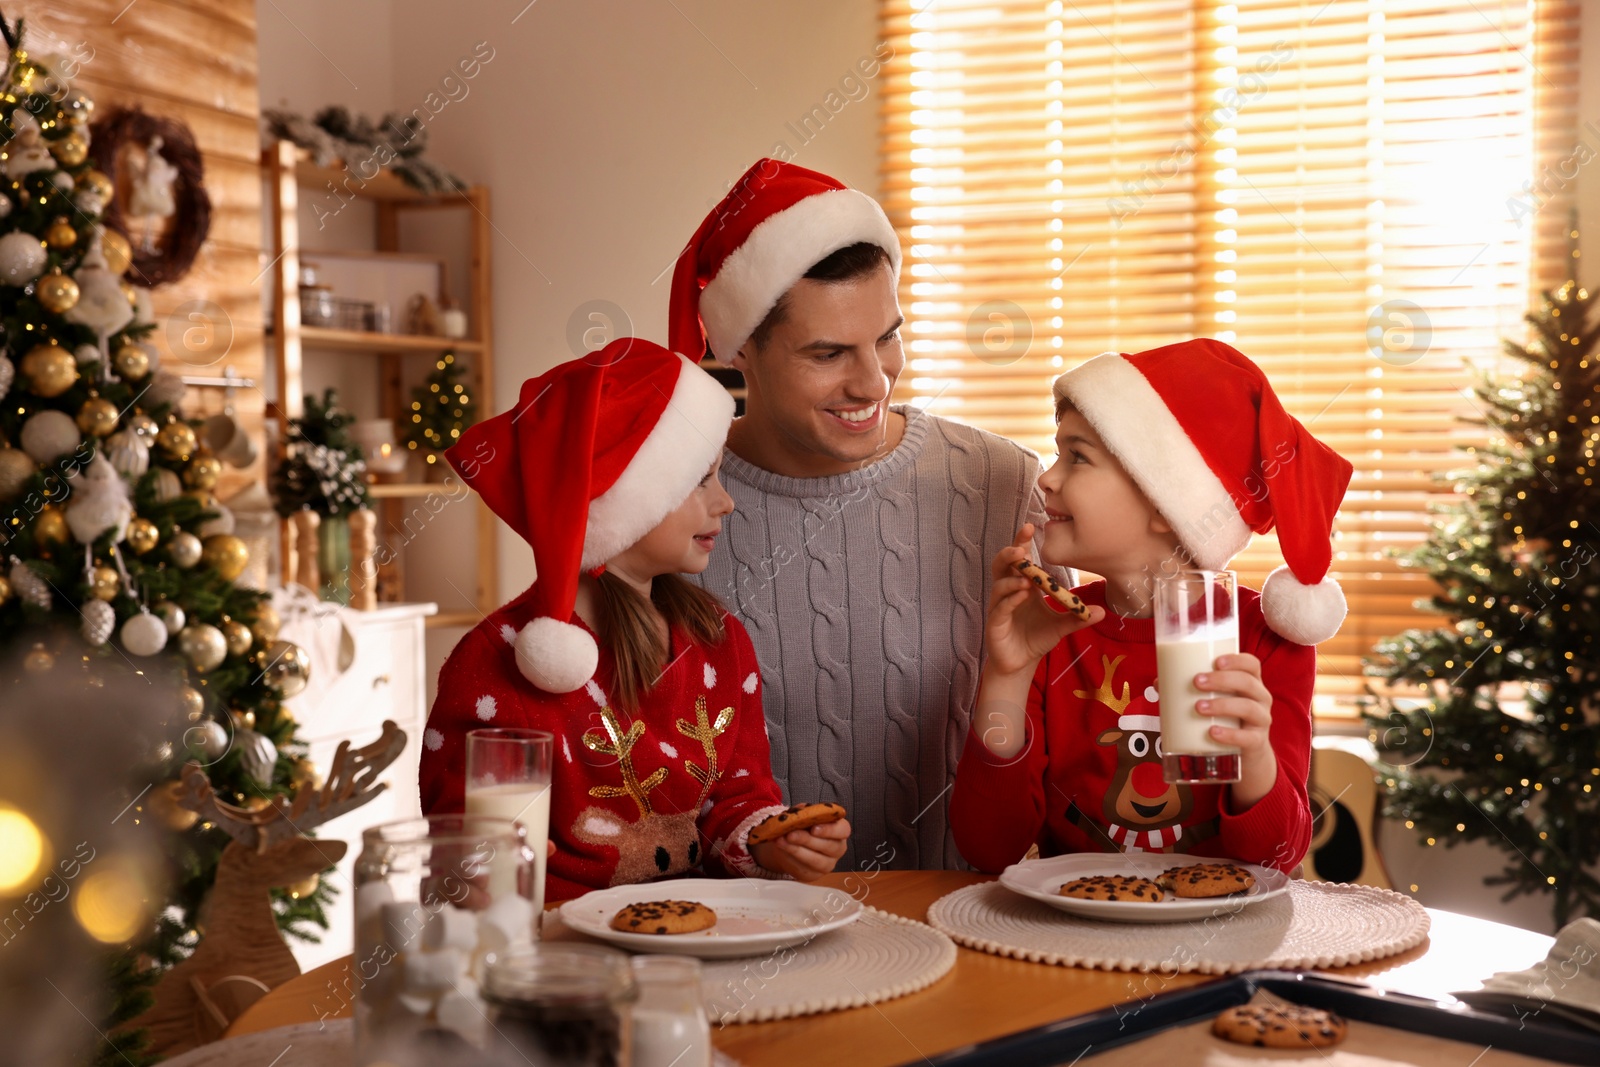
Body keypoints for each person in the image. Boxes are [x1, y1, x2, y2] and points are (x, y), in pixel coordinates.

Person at [669, 158, 1067, 870]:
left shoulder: (1007, 485)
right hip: (744, 951)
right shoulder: (667, 510)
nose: (873, 380)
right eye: (828, 353)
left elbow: (1078, 745)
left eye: (886, 336)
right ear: (741, 352)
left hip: (972, 940)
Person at [419, 339, 851, 899]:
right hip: (560, 958)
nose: (727, 502)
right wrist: (482, 870)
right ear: (621, 498)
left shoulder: (719, 644)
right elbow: (462, 848)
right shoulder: (492, 667)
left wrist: (771, 841)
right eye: (701, 479)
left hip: (700, 948)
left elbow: (736, 802)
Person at [950, 338, 1353, 874]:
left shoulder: (1265, 641)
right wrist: (1008, 674)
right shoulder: (1051, 628)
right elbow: (988, 850)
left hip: (1220, 945)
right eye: (1056, 453)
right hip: (1075, 939)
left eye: (1077, 456)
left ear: (1166, 505)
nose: (1045, 478)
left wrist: (1254, 756)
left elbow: (1276, 857)